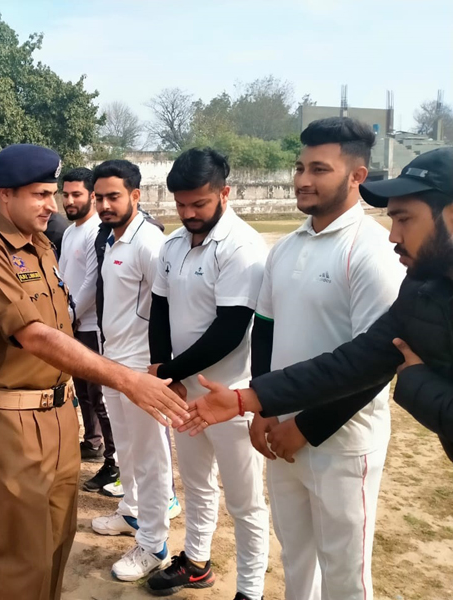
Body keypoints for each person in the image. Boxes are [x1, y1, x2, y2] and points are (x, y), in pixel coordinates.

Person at [0, 143, 189, 600]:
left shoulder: (41, 246)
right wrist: (125, 377)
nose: (51, 205)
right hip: (13, 421)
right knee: (27, 553)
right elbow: (36, 335)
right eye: (39, 194)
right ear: (4, 195)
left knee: (58, 543)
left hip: (59, 414)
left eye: (52, 194)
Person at [183, 118, 405, 600]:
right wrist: (264, 409)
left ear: (356, 176)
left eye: (319, 169)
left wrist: (305, 427)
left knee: (346, 574)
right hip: (280, 428)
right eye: (300, 166)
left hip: (342, 440)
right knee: (296, 558)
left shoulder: (372, 252)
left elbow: (375, 362)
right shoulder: (284, 248)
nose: (303, 179)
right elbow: (264, 329)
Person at [184, 146, 453, 460]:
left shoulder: (374, 255)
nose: (393, 236)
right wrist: (247, 399)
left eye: (405, 219)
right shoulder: (422, 288)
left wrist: (416, 382)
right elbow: (355, 363)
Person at [145, 149, 269, 599]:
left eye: (199, 204)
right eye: (181, 204)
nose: (189, 213)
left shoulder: (243, 246)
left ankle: (251, 590)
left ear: (224, 193)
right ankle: (196, 562)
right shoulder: (174, 244)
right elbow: (160, 307)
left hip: (230, 394)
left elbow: (231, 330)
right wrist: (166, 373)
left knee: (245, 501)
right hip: (185, 391)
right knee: (197, 485)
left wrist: (173, 370)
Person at [86, 159, 177, 582]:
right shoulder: (112, 239)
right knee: (126, 450)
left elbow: (170, 308)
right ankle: (133, 514)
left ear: (136, 196)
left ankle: (155, 544)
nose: (104, 204)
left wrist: (162, 371)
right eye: (99, 197)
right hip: (112, 363)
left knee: (150, 457)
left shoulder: (149, 243)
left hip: (142, 369)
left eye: (113, 196)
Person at [58, 167, 118, 492]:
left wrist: (68, 314)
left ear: (92, 196)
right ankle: (92, 441)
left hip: (92, 326)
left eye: (76, 194)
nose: (69, 200)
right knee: (81, 391)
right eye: (65, 194)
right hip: (73, 323)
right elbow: (63, 276)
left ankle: (114, 462)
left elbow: (92, 282)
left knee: (99, 397)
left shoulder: (98, 231)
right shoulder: (70, 232)